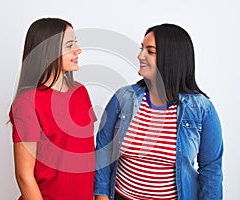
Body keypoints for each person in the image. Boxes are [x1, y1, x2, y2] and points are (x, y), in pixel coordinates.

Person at [94, 23, 223, 200]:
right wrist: (101, 194)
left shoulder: (202, 109)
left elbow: (211, 169)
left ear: (172, 58)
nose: (140, 56)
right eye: (142, 48)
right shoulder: (123, 97)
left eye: (150, 51)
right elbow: (103, 147)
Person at [9, 18, 96, 200]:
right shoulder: (27, 103)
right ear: (47, 52)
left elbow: (87, 154)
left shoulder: (80, 91)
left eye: (76, 43)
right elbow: (24, 177)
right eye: (69, 45)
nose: (78, 50)